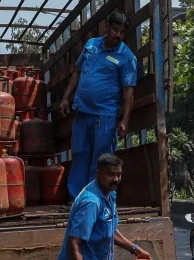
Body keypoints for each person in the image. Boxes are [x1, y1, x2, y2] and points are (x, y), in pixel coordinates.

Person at [56, 11, 138, 200]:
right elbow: (77, 72)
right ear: (106, 28)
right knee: (79, 155)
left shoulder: (126, 57)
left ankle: (99, 201)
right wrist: (65, 98)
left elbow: (129, 92)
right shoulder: (91, 45)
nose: (118, 35)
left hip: (106, 117)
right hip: (83, 112)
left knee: (101, 161)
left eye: (122, 32)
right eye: (115, 30)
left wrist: (125, 120)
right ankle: (77, 199)